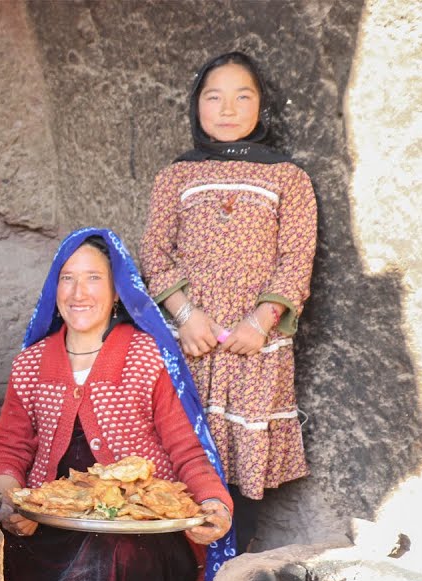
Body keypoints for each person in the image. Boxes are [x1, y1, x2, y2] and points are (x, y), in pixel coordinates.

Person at [0, 228, 234, 581]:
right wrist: (14, 502)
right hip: (53, 522)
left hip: (141, 535)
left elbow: (185, 449)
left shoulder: (144, 355)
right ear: (54, 288)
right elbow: (7, 449)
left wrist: (212, 503)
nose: (78, 292)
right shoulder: (31, 364)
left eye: (93, 278)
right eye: (67, 278)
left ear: (117, 291)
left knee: (105, 552)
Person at [139, 51, 317, 552]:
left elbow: (296, 256)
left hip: (253, 345)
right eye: (213, 96)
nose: (228, 108)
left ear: (261, 105)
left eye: (244, 96)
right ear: (196, 105)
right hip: (189, 340)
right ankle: (178, 577)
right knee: (180, 452)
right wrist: (187, 316)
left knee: (243, 460)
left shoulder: (288, 177)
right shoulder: (176, 176)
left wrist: (260, 322)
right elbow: (155, 251)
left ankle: (231, 573)